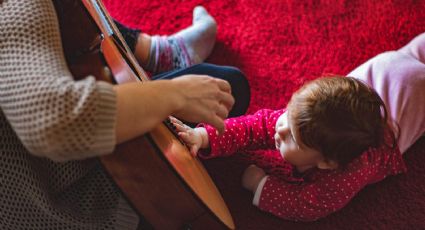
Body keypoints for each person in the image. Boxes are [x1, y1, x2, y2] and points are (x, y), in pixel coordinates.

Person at [0, 1, 249, 230]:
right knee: (222, 91)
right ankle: (163, 54)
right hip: (63, 201)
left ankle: (158, 51)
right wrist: (176, 95)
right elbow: (56, 123)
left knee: (223, 87)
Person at [173, 32, 425, 221]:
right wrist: (203, 136)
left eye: (292, 136)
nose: (279, 127)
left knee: (414, 56)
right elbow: (252, 127)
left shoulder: (345, 176)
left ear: (327, 163)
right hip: (385, 71)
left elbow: (307, 205)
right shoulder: (300, 124)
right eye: (288, 114)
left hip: (413, 94)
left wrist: (260, 184)